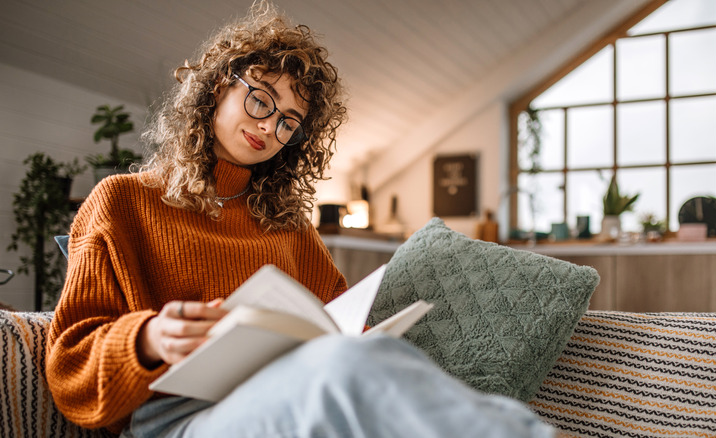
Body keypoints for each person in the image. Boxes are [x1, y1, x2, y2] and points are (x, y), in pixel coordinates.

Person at [46, 2, 561, 437]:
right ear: (217, 86)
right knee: (346, 369)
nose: (269, 126)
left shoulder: (287, 226)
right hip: (178, 418)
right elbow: (69, 364)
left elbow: (337, 327)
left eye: (288, 122)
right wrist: (150, 338)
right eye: (261, 100)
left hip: (292, 399)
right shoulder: (122, 201)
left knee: (366, 357)